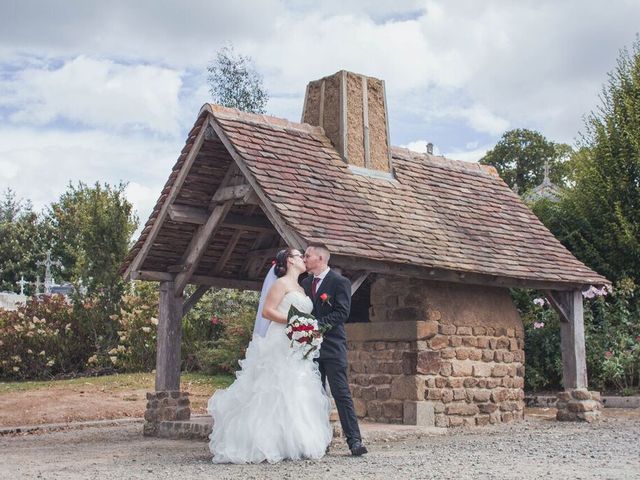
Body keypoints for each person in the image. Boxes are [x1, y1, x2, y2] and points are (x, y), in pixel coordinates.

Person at [207, 248, 332, 464]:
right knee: (273, 389)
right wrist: (295, 321)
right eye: (298, 256)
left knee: (296, 389)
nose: (303, 259)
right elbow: (268, 311)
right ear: (290, 262)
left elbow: (304, 314)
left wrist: (306, 328)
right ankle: (265, 442)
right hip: (279, 342)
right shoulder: (281, 284)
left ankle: (296, 441)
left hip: (296, 344)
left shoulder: (301, 288)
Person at [302, 242, 368, 456]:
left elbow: (341, 312)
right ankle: (320, 441)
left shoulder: (340, 282)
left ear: (320, 258)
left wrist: (316, 328)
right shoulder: (304, 284)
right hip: (310, 349)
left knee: (341, 393)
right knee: (314, 395)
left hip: (332, 347)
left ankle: (354, 441)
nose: (304, 259)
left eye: (307, 256)